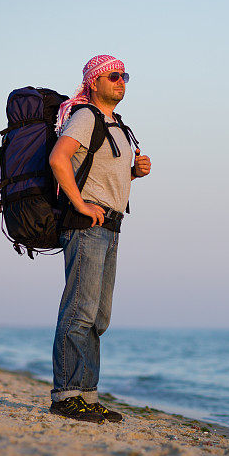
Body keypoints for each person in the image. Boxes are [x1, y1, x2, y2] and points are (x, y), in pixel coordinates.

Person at [47, 55, 151, 423]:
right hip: (86, 226)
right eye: (113, 76)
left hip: (112, 226)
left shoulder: (118, 125)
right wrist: (79, 203)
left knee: (97, 317)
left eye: (125, 76)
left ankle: (87, 396)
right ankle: (65, 396)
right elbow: (58, 160)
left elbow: (105, 175)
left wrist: (135, 173)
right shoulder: (85, 116)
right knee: (79, 310)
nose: (121, 81)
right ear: (94, 82)